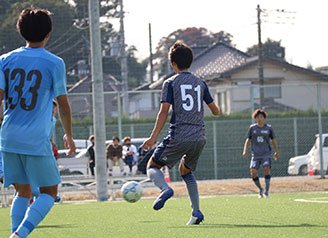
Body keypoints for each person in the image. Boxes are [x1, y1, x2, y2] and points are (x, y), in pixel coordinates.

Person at [0, 8, 75, 238]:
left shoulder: (4, 59)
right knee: (49, 192)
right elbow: (62, 104)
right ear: (49, 33)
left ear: (21, 30)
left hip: (8, 135)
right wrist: (69, 136)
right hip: (34, 137)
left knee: (23, 190)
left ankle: (15, 232)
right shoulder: (55, 63)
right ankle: (19, 235)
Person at [142, 41, 221, 225]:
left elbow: (163, 112)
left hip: (179, 135)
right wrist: (218, 110)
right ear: (191, 61)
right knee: (186, 171)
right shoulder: (201, 83)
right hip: (199, 137)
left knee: (152, 166)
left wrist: (153, 138)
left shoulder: (170, 83)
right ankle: (196, 213)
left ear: (173, 64)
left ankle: (165, 190)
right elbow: (215, 110)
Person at [242, 109, 279, 198]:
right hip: (255, 155)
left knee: (266, 169)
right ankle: (261, 189)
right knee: (253, 173)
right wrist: (245, 150)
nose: (260, 119)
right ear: (255, 118)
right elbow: (248, 140)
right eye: (258, 117)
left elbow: (273, 140)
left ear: (264, 118)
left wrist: (276, 151)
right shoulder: (252, 128)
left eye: (261, 117)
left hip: (266, 154)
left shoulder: (269, 128)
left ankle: (266, 191)